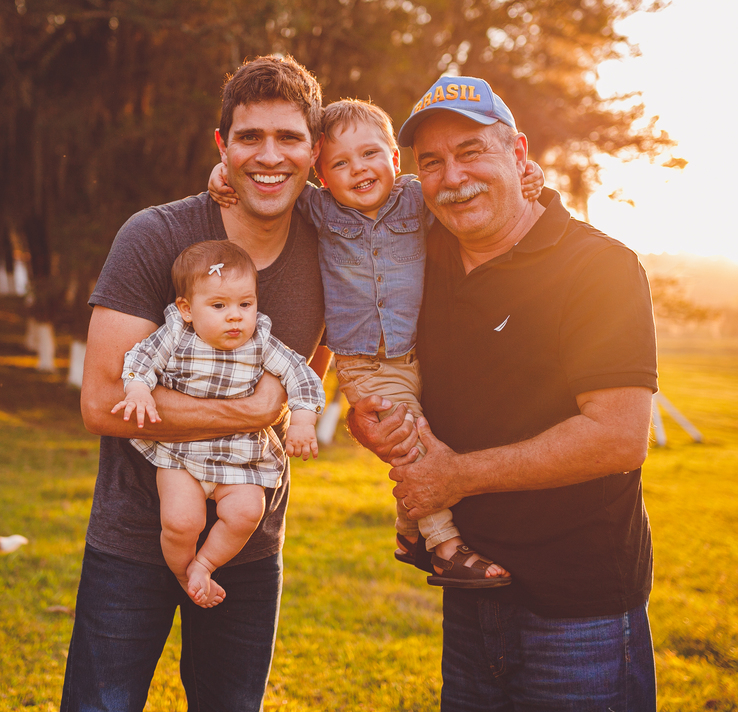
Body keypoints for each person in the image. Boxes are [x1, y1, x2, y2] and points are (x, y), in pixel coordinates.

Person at [348, 75, 659, 710]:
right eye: (430, 162)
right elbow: (324, 216)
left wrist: (455, 478)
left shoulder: (597, 267)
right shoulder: (421, 256)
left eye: (471, 152)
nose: (451, 177)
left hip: (578, 609)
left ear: (518, 155)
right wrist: (371, 423)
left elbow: (619, 437)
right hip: (468, 593)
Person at [63, 54, 328, 712]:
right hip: (133, 537)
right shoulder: (156, 236)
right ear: (223, 147)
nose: (269, 156)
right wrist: (253, 411)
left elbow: (409, 207)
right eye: (249, 138)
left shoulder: (334, 238)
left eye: (289, 137)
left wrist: (531, 184)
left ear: (315, 150)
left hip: (249, 544)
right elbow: (101, 403)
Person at [208, 98, 543, 586]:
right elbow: (269, 183)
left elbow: (468, 190)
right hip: (363, 363)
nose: (358, 170)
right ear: (322, 176)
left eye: (370, 155)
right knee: (412, 445)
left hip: (418, 353)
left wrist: (531, 177)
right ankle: (445, 544)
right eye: (339, 164)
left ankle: (408, 533)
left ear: (395, 159)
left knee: (432, 432)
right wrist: (223, 177)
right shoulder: (318, 210)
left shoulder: (415, 198)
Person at [113, 239, 325, 609]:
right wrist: (138, 390)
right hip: (182, 454)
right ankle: (184, 574)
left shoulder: (260, 340)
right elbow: (141, 358)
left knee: (247, 512)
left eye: (245, 304)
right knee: (181, 521)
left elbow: (300, 374)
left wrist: (304, 421)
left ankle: (204, 565)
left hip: (241, 458)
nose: (235, 316)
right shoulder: (177, 334)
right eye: (219, 306)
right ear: (187, 309)